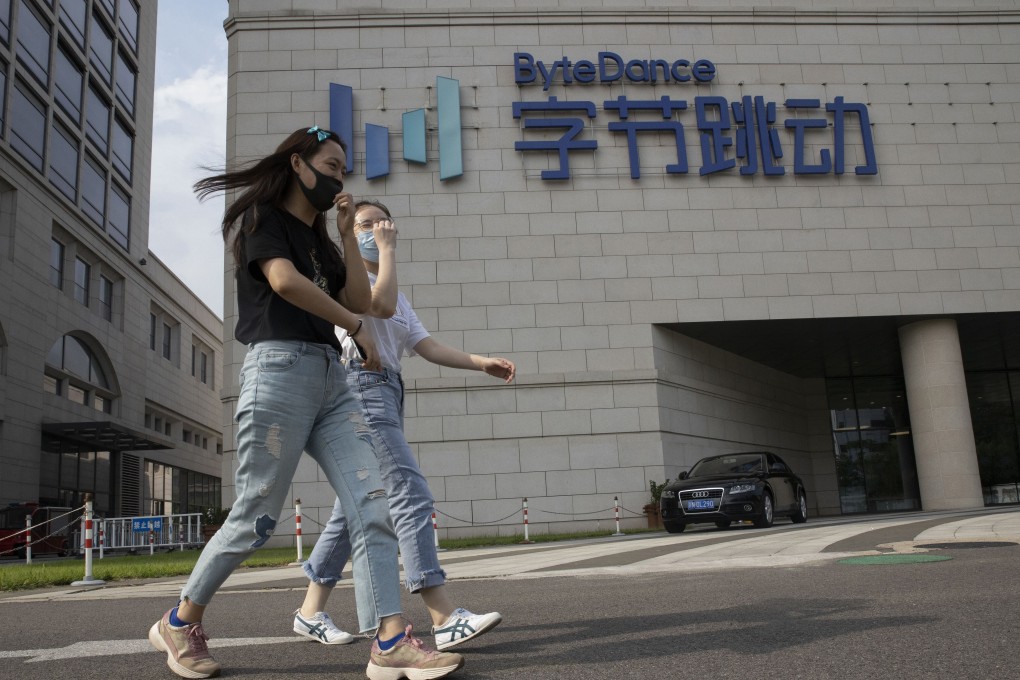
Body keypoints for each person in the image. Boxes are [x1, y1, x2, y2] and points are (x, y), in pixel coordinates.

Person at [147, 127, 464, 680]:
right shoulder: (262, 220)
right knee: (255, 518)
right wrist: (353, 328)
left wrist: (345, 237)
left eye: (344, 170)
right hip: (278, 372)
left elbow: (362, 300)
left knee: (373, 500)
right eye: (332, 166)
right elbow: (285, 282)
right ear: (298, 164)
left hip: (330, 380)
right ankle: (179, 619)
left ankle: (390, 641)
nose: (340, 177)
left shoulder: (321, 238)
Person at [293, 199, 516, 652]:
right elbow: (378, 303)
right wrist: (387, 250)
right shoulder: (344, 278)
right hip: (360, 386)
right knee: (408, 492)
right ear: (348, 232)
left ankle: (310, 611)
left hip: (389, 391)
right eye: (365, 223)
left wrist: (480, 363)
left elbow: (426, 345)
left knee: (354, 504)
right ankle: (442, 612)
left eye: (381, 222)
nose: (376, 229)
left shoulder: (396, 289)